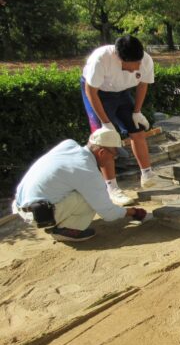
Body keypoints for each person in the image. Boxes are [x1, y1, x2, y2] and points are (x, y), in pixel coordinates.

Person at [13, 128, 149, 242]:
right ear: (101, 153)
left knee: (84, 191)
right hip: (39, 215)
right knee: (91, 198)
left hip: (22, 205)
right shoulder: (87, 171)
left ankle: (59, 219)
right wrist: (134, 212)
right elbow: (109, 214)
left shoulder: (68, 145)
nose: (114, 159)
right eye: (114, 156)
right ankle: (65, 230)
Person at [81, 34, 156, 206]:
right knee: (105, 140)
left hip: (122, 93)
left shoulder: (145, 60)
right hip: (98, 93)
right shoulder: (101, 59)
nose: (137, 67)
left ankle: (147, 174)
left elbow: (143, 85)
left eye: (139, 62)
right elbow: (91, 91)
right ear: (119, 58)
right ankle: (112, 188)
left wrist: (137, 111)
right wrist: (106, 124)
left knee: (137, 130)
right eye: (133, 64)